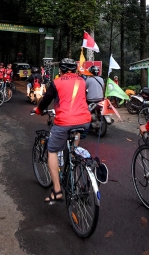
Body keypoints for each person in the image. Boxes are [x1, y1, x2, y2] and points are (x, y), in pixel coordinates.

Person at [34, 58, 91, 202]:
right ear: (74, 69)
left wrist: (39, 110)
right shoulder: (82, 81)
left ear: (61, 70)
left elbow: (46, 99)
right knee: (75, 136)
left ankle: (57, 190)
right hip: (84, 121)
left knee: (52, 150)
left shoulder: (57, 82)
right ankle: (73, 157)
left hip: (64, 122)